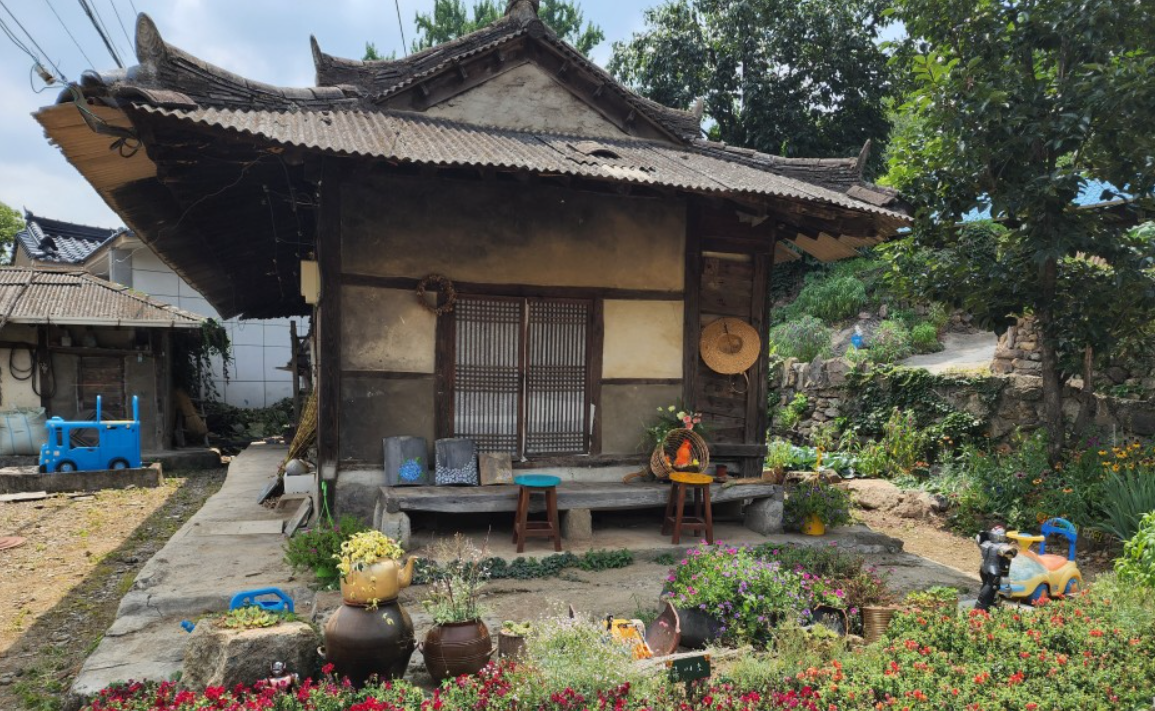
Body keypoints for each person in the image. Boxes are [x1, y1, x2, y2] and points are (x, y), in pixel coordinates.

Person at [975, 524, 1017, 611]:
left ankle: (987, 605)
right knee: (991, 588)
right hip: (994, 571)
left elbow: (979, 537)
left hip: (984, 569)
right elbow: (1013, 552)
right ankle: (980, 607)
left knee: (986, 586)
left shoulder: (985, 543)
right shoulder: (1002, 547)